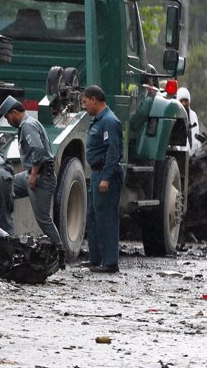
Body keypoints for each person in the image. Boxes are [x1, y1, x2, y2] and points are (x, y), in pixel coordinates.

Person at [0, 95, 65, 269]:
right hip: (30, 174)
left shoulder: (27, 125)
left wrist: (34, 175)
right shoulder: (27, 124)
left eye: (8, 117)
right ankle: (4, 236)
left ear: (14, 112)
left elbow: (38, 149)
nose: (8, 120)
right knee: (5, 188)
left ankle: (60, 253)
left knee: (43, 219)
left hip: (41, 177)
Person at [80, 85, 124, 273]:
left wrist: (106, 178)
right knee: (93, 216)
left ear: (95, 99)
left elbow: (114, 152)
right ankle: (96, 258)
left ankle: (110, 262)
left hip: (107, 174)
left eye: (85, 102)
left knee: (106, 217)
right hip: (97, 173)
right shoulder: (99, 120)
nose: (84, 106)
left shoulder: (109, 122)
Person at [177, 87, 202, 155]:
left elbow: (195, 134)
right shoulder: (175, 115)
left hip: (193, 154)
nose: (184, 103)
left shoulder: (193, 115)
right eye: (181, 101)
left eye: (186, 101)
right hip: (179, 154)